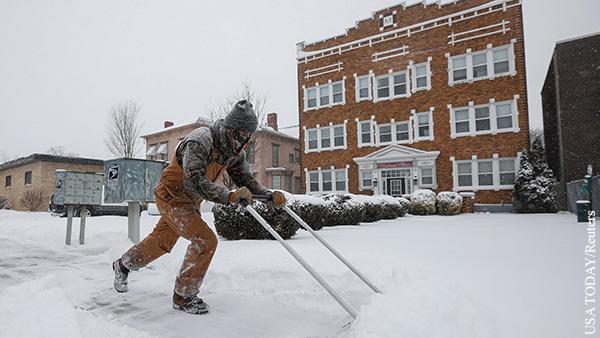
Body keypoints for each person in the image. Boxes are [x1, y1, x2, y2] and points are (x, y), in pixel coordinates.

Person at [112, 100, 287, 315]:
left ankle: (123, 264)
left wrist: (269, 196)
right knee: (205, 240)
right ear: (231, 129)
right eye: (243, 133)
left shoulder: (234, 151)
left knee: (162, 241)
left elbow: (246, 181)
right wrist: (230, 196)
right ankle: (184, 296)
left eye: (249, 134)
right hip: (172, 195)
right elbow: (194, 181)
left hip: (190, 200)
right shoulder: (200, 141)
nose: (246, 139)